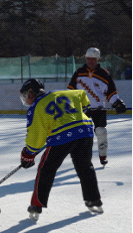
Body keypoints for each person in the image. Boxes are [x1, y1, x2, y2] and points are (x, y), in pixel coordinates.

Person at [19, 79, 103, 221]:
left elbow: (36, 138)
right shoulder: (65, 93)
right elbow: (82, 95)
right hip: (84, 132)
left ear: (32, 93)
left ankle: (36, 205)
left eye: (25, 95)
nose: (25, 99)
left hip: (61, 138)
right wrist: (82, 112)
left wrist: (28, 154)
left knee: (46, 169)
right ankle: (93, 200)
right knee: (85, 166)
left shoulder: (36, 108)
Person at [68, 47, 127, 166]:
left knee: (101, 132)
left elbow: (111, 92)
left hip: (98, 108)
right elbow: (71, 90)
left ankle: (102, 155)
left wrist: (117, 103)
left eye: (93, 59)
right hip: (81, 109)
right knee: (81, 134)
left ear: (98, 59)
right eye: (88, 59)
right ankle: (82, 158)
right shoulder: (79, 72)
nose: (90, 61)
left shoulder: (104, 74)